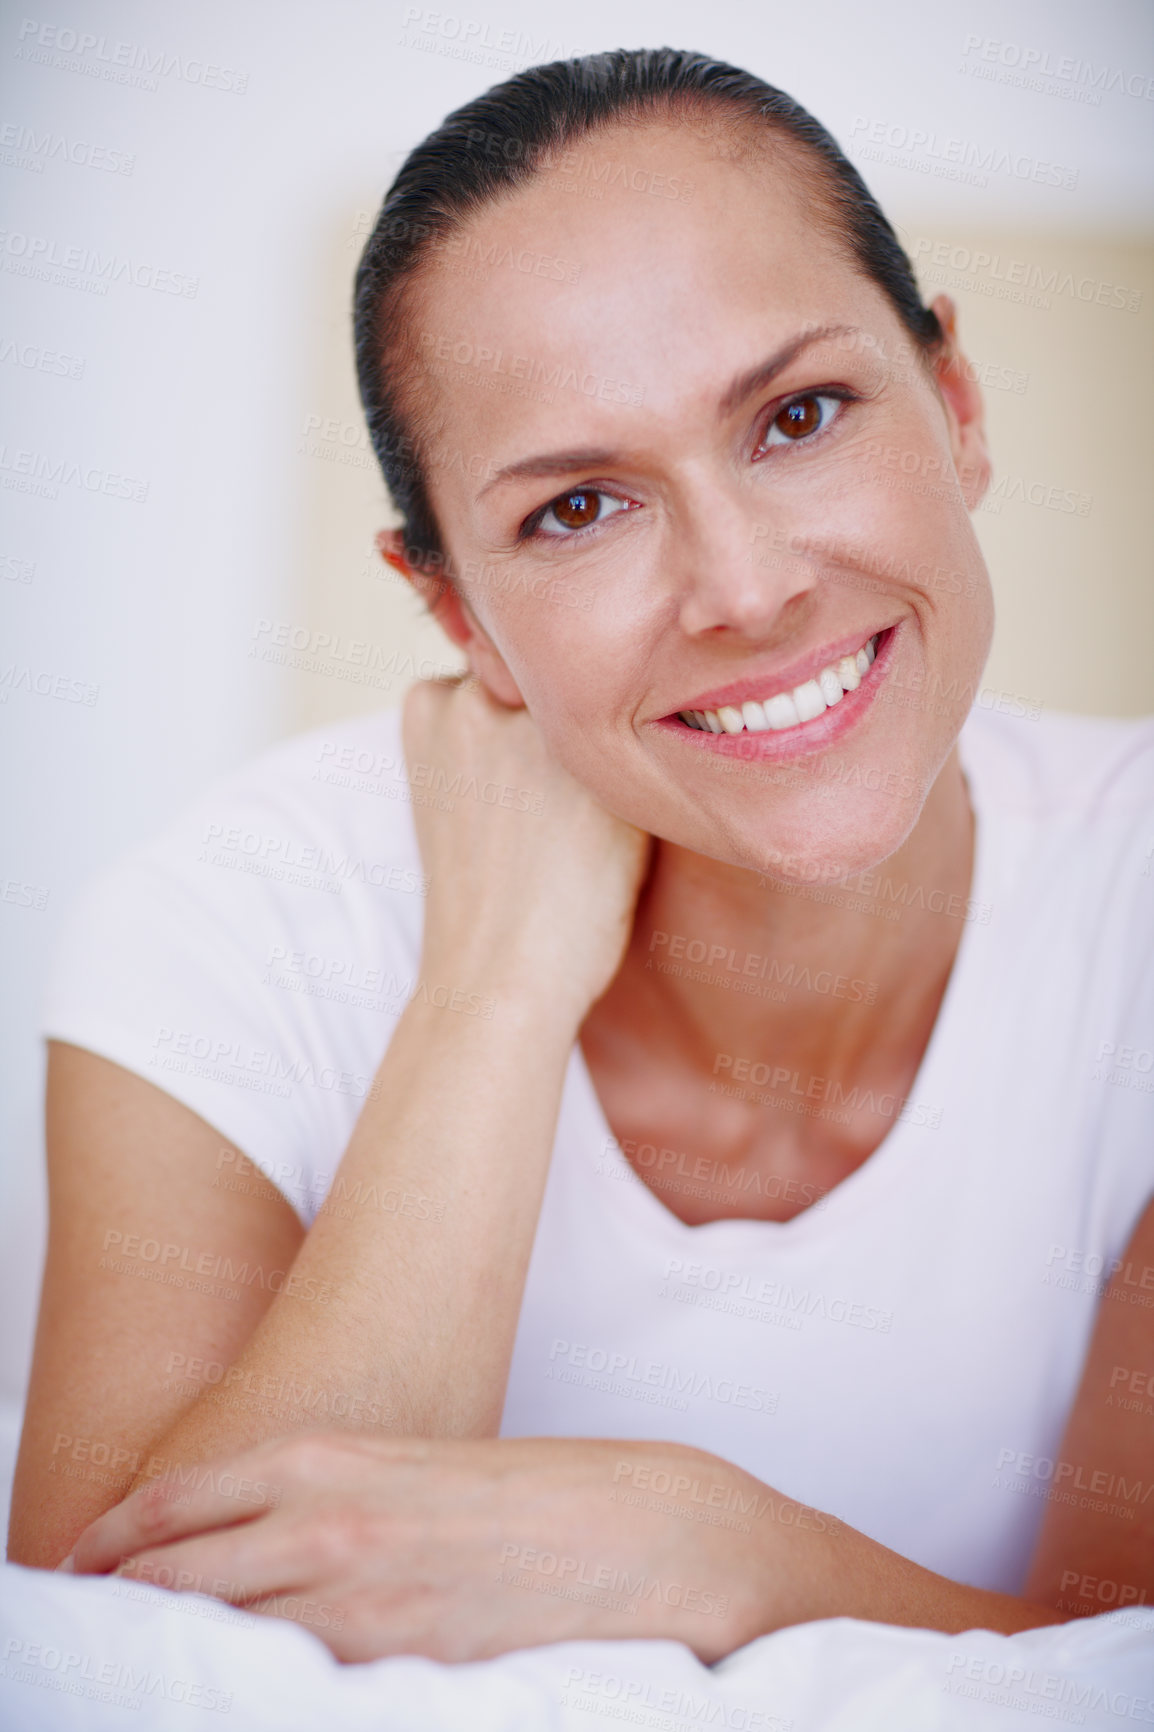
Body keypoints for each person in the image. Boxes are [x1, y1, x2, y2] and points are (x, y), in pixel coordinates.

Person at [8, 49, 1153, 1665]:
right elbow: (99, 1656)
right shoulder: (227, 925)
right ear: (455, 610)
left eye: (798, 415)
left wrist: (728, 1561)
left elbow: (1124, 1665)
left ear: (954, 407)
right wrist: (491, 991)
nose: (744, 589)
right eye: (578, 510)